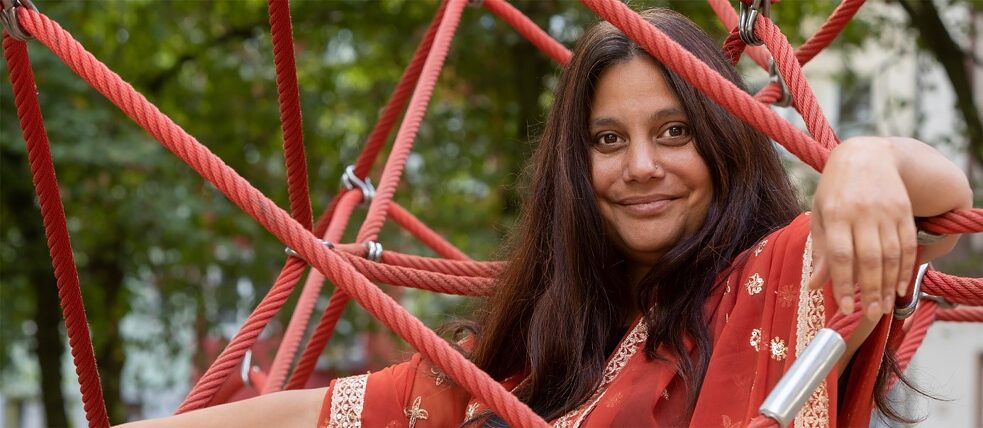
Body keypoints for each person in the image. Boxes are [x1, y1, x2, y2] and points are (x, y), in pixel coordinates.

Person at [118, 8, 972, 428]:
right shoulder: (537, 362)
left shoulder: (781, 276)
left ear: (723, 147)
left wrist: (862, 158)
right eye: (608, 139)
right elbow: (308, 415)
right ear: (574, 166)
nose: (641, 166)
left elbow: (936, 194)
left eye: (674, 132)